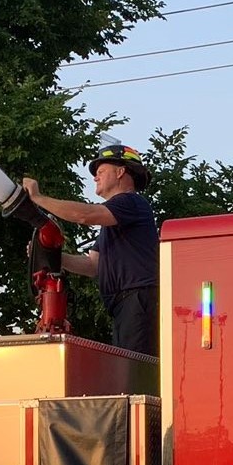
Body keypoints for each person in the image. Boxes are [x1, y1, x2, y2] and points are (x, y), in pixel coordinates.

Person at [21, 143, 160, 355]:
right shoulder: (113, 222)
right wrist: (52, 254)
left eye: (101, 171)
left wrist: (39, 199)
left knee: (135, 372)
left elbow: (84, 216)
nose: (95, 177)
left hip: (138, 300)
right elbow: (93, 265)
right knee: (128, 369)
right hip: (125, 305)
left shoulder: (130, 202)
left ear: (121, 172)